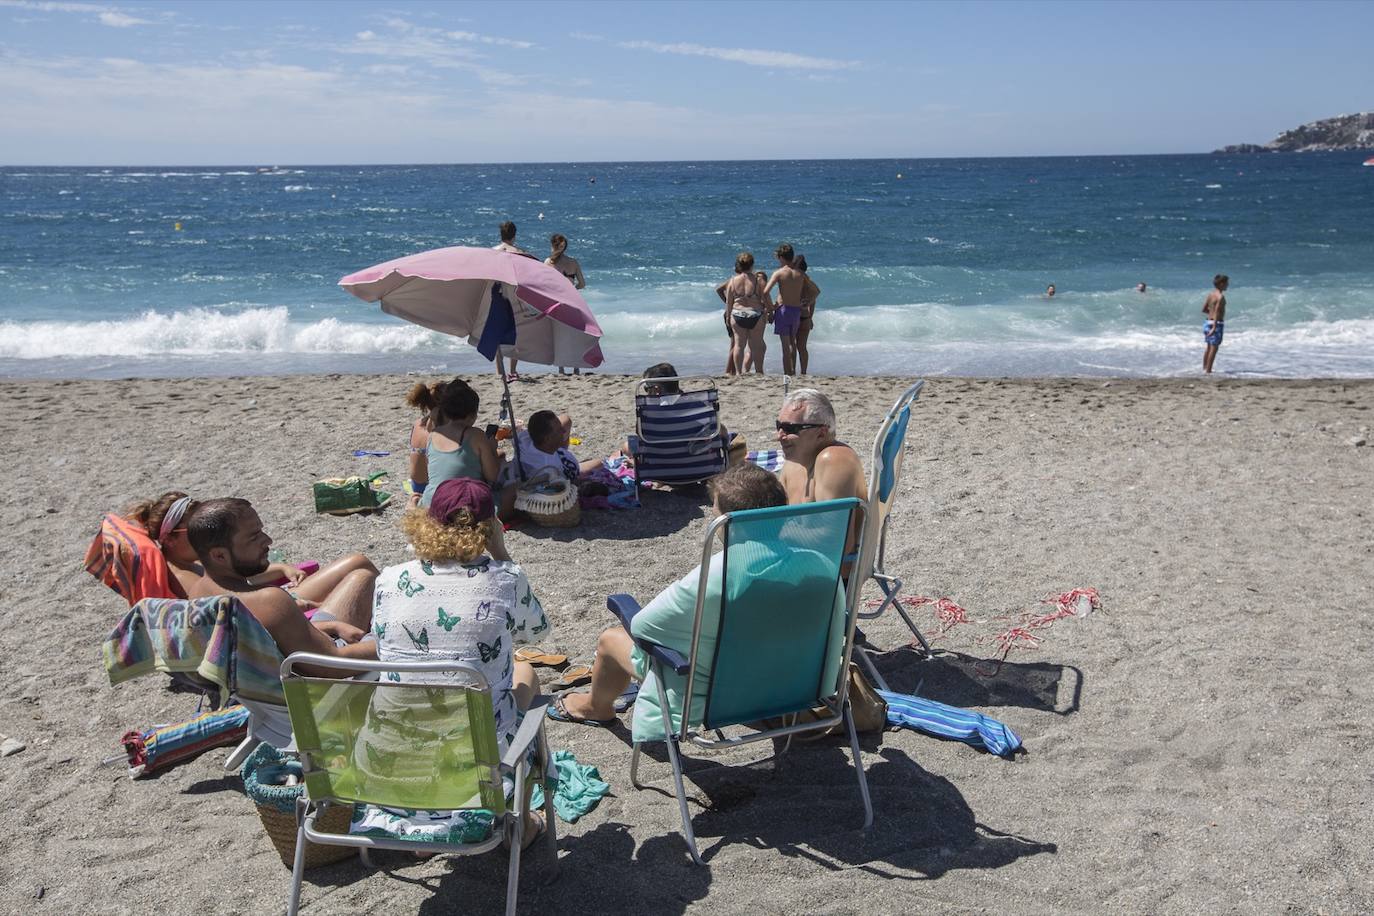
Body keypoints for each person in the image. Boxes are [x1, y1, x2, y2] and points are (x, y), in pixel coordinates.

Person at [548, 463, 839, 733]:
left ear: (726, 522)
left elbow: (643, 629)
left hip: (720, 697)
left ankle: (595, 707)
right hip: (794, 687)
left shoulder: (719, 575)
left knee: (612, 638)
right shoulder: (820, 564)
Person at [356, 477, 550, 844]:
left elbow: (385, 646)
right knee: (525, 671)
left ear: (427, 523)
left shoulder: (390, 579)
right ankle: (521, 828)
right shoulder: (504, 579)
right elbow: (535, 633)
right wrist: (503, 554)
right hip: (474, 774)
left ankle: (420, 837)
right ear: (490, 527)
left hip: (387, 774)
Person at [185, 498, 377, 675]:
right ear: (219, 556)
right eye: (254, 537)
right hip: (320, 683)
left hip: (270, 681)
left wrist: (330, 625)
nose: (268, 541)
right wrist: (397, 644)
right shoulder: (268, 600)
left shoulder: (197, 594)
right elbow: (332, 665)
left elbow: (274, 635)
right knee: (365, 579)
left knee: (360, 576)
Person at [128, 490, 378, 612]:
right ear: (169, 539)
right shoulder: (185, 578)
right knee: (358, 566)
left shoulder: (189, 563)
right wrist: (303, 603)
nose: (201, 534)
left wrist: (280, 568)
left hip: (267, 602)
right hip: (273, 611)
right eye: (193, 531)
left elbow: (234, 582)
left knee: (357, 567)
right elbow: (235, 610)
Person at [775, 388, 867, 563]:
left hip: (830, 580)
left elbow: (837, 544)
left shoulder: (834, 459)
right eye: (778, 426)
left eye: (789, 428)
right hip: (800, 563)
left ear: (821, 433)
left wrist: (777, 531)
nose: (779, 436)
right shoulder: (794, 462)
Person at [405, 378, 501, 508]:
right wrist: (492, 450)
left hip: (432, 501)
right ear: (473, 414)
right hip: (462, 505)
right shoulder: (476, 434)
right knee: (509, 493)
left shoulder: (433, 435)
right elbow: (492, 476)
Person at [493, 221, 531, 381]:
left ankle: (500, 372)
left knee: (496, 334)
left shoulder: (492, 252)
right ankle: (513, 371)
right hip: (514, 296)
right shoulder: (519, 253)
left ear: (501, 235)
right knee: (518, 335)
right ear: (514, 235)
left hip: (496, 296)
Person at [721, 251, 771, 374]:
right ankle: (759, 371)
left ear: (739, 265)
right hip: (755, 314)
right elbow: (765, 298)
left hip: (737, 314)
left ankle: (739, 373)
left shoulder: (733, 281)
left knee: (739, 345)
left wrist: (728, 318)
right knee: (756, 346)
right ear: (752, 265)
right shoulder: (757, 280)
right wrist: (770, 311)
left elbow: (729, 302)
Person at [546, 233, 587, 376]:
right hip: (573, 302)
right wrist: (572, 288)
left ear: (552, 246)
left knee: (558, 337)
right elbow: (582, 284)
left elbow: (543, 285)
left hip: (556, 303)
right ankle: (576, 368)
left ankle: (561, 368)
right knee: (573, 335)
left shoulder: (548, 263)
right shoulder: (573, 262)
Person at [763, 243, 805, 375]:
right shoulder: (800, 274)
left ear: (781, 257)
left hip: (783, 310)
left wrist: (770, 309)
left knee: (785, 346)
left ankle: (788, 373)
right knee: (793, 342)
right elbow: (813, 291)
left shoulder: (779, 273)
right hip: (796, 311)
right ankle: (794, 371)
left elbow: (765, 292)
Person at [795, 254, 821, 375]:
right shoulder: (809, 283)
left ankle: (792, 372)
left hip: (794, 316)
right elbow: (815, 298)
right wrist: (810, 317)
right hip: (805, 316)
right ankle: (803, 372)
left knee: (792, 346)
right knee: (802, 347)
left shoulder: (793, 282)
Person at [1202, 273, 1229, 374]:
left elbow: (1204, 309)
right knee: (1214, 348)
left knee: (1208, 347)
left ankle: (1204, 368)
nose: (1227, 285)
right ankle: (1208, 371)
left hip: (1207, 322)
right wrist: (1214, 326)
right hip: (1216, 324)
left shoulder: (1210, 295)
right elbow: (1217, 311)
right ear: (1221, 284)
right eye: (1226, 283)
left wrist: (1211, 316)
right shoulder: (1220, 297)